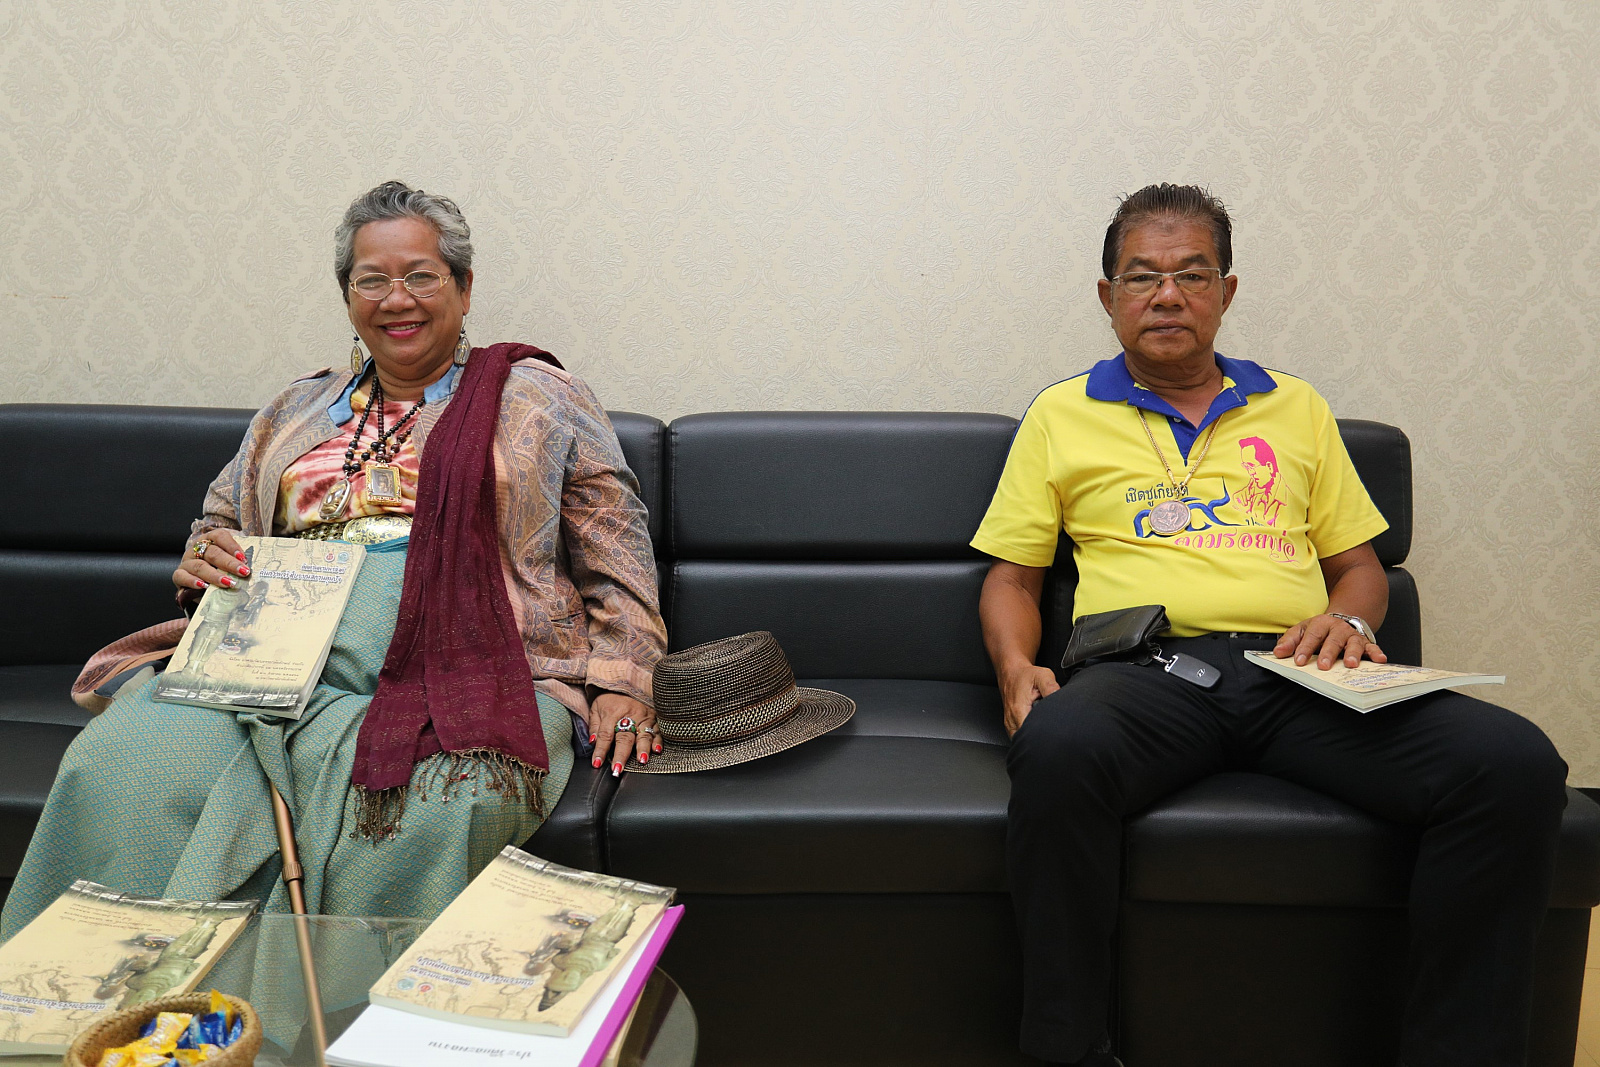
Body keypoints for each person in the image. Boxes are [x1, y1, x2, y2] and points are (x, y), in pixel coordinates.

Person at [972, 183, 1566, 1067]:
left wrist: (1346, 618)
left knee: (1515, 764)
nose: (1166, 295)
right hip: (1146, 674)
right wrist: (1017, 668)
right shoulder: (1061, 413)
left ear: (1227, 291)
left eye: (1191, 274)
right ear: (1107, 296)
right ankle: (1068, 1051)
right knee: (1057, 745)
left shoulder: (1295, 406)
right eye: (1141, 276)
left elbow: (1361, 566)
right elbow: (1012, 577)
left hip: (1298, 671)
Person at [0, 181, 666, 937]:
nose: (397, 298)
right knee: (124, 759)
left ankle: (324, 997)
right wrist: (207, 558)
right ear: (348, 296)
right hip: (272, 657)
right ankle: (109, 990)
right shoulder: (295, 409)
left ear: (464, 287)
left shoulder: (539, 397)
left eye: (421, 276)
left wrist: (624, 678)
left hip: (471, 664)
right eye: (371, 280)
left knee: (447, 800)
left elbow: (614, 541)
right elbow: (220, 521)